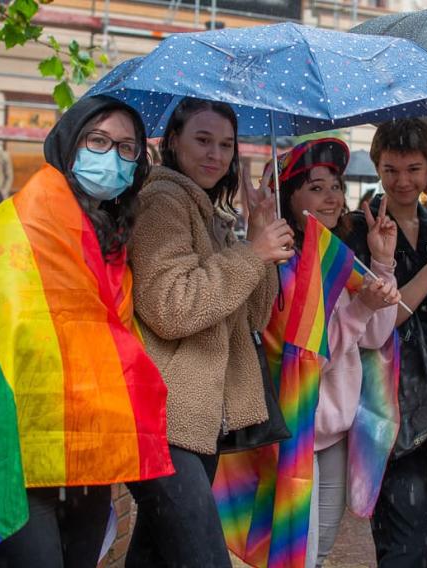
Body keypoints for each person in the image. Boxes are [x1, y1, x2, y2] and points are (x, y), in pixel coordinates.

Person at [0, 96, 173, 568]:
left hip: (89, 453)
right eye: (99, 141)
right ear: (69, 144)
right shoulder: (20, 224)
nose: (113, 156)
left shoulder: (115, 239)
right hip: (20, 456)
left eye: (127, 148)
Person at [126, 97, 294, 567]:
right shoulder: (161, 201)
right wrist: (251, 256)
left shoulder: (210, 215)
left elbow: (250, 319)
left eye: (225, 144)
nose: (215, 154)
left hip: (197, 418)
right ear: (173, 141)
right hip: (164, 417)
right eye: (202, 140)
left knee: (156, 555)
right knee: (203, 556)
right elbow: (171, 308)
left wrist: (258, 242)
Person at [262, 138, 400, 567]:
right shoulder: (278, 268)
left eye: (335, 186)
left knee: (317, 553)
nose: (332, 197)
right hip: (296, 432)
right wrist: (361, 307)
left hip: (337, 433)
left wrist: (382, 264)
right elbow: (307, 360)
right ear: (289, 198)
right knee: (296, 557)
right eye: (315, 187)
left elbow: (373, 336)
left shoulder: (338, 258)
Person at [342, 118, 427, 567]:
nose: (402, 182)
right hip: (391, 405)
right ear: (377, 165)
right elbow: (383, 318)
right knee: (406, 540)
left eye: (414, 169)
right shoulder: (361, 230)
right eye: (391, 169)